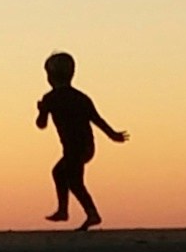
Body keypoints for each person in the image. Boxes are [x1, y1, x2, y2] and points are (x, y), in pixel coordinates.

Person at [33, 52, 127, 228]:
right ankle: (65, 211)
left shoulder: (51, 98)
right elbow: (97, 119)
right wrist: (112, 134)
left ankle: (90, 214)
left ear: (50, 76)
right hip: (86, 146)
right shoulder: (80, 97)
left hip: (74, 147)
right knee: (60, 173)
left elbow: (41, 124)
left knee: (74, 182)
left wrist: (41, 111)